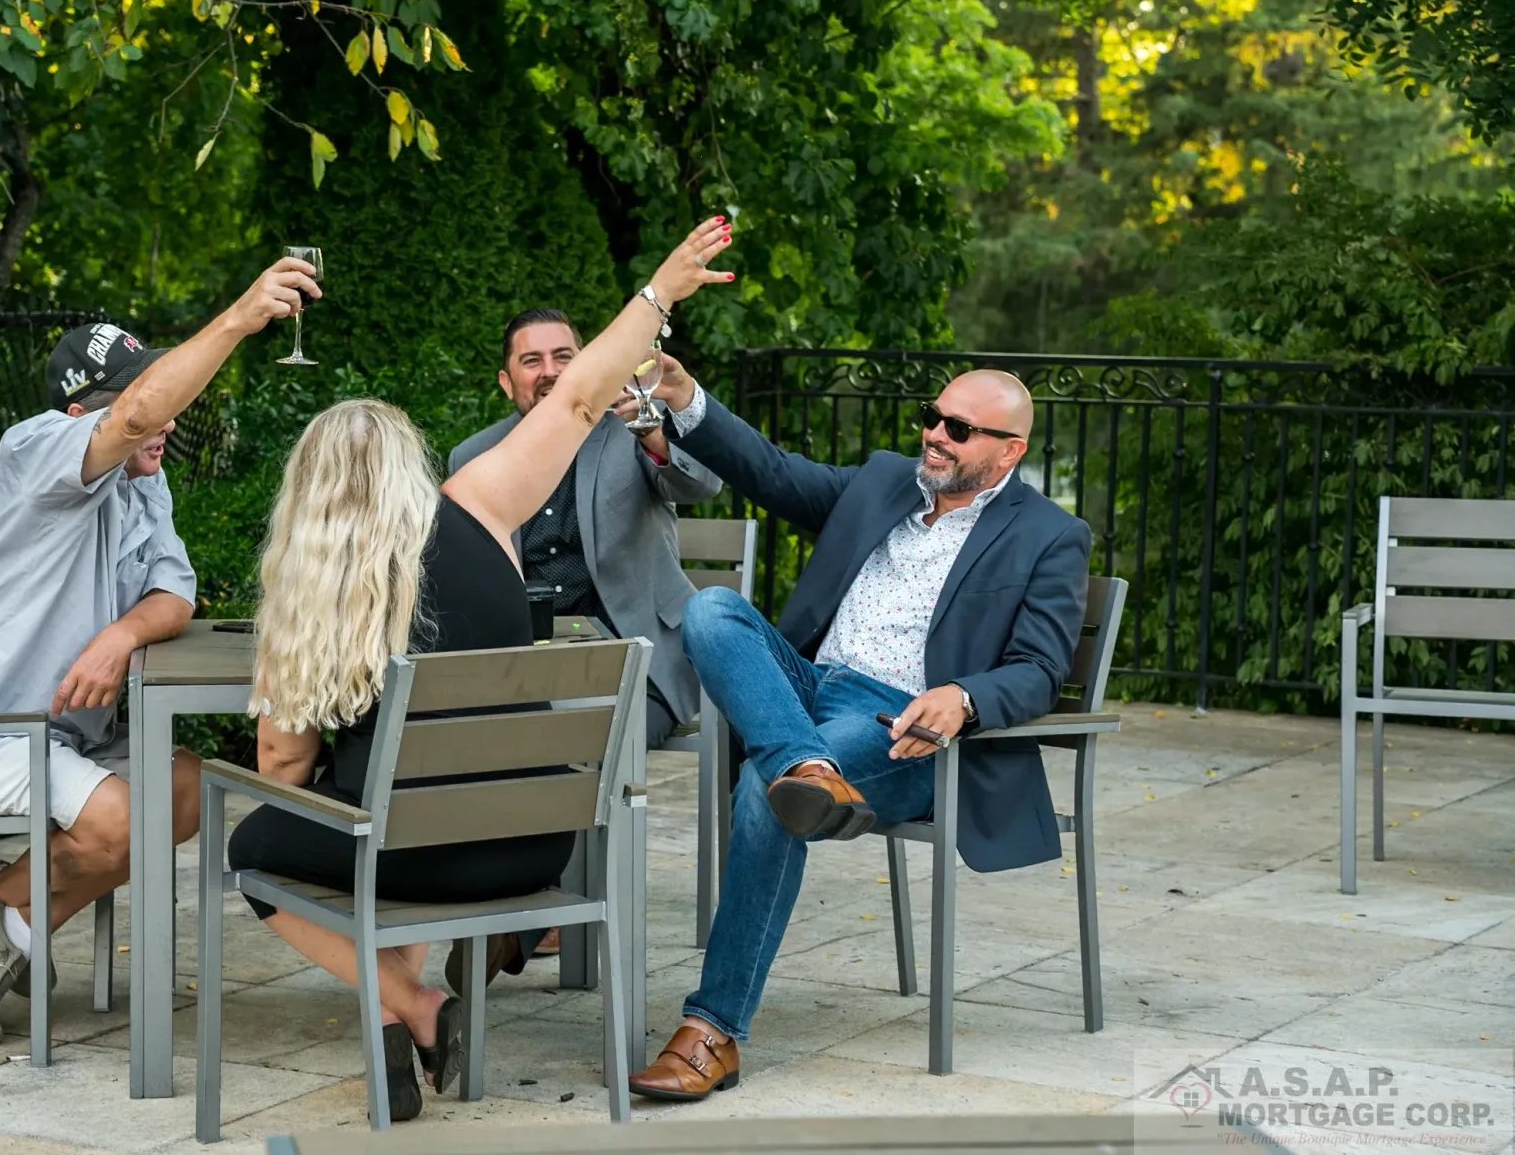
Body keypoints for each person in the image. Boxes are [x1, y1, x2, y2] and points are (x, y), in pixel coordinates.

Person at [225, 218, 735, 1122]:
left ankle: (411, 1000)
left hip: (409, 854)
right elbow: (578, 402)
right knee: (380, 819)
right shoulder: (480, 504)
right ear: (409, 467)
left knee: (263, 843)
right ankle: (396, 1000)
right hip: (536, 843)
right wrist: (658, 295)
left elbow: (283, 771)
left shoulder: (311, 599)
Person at [0, 257, 319, 1047]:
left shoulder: (143, 481)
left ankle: (8, 912)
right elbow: (141, 415)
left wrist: (122, 634)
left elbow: (175, 595)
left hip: (44, 731)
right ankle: (7, 910)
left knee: (183, 788)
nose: (168, 418)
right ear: (81, 413)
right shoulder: (35, 449)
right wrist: (243, 315)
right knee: (117, 822)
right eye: (140, 402)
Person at [624, 359, 1090, 1101]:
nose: (935, 437)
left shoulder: (1048, 535)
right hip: (808, 689)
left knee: (764, 786)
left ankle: (712, 1028)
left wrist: (965, 696)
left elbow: (1039, 668)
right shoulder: (884, 482)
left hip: (901, 725)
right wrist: (685, 401)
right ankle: (804, 763)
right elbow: (771, 472)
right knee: (713, 608)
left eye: (959, 430)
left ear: (1009, 450)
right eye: (933, 417)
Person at [446, 308, 724, 988]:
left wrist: (656, 431)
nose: (550, 372)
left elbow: (700, 482)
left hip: (639, 655)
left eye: (564, 356)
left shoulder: (629, 432)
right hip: (527, 659)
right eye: (532, 360)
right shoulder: (471, 457)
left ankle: (520, 912)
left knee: (572, 739)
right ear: (505, 380)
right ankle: (524, 903)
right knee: (460, 740)